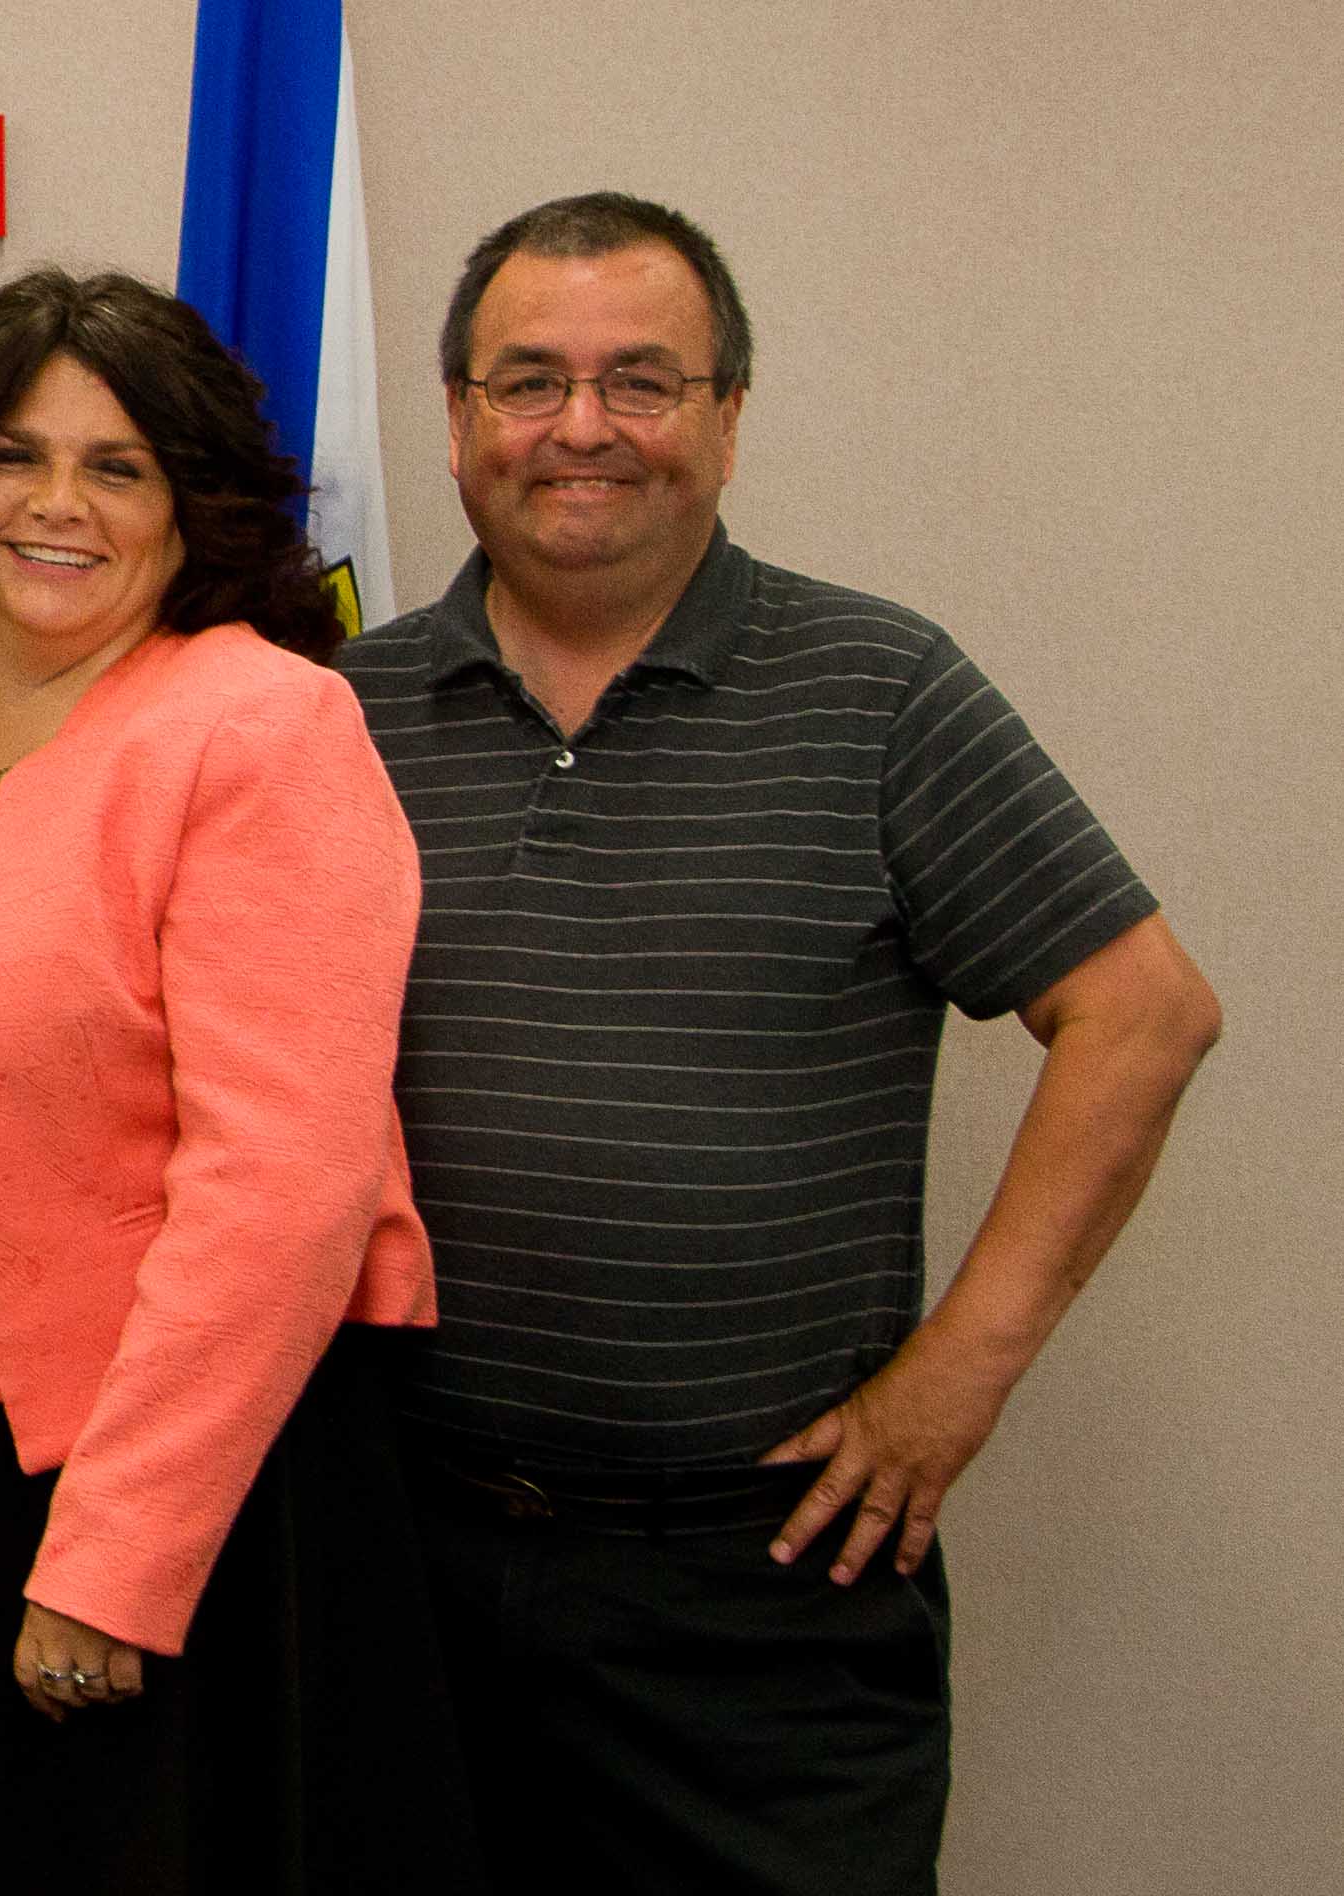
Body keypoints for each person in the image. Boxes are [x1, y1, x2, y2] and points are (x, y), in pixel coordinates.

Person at [344, 192, 1221, 1896]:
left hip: (758, 1609)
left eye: (642, 380)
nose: (581, 426)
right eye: (528, 381)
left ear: (728, 421)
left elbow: (1144, 1012)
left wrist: (959, 1374)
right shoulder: (334, 714)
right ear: (454, 423)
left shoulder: (877, 688)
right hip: (404, 1567)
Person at [0, 267, 480, 1892]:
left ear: (189, 507)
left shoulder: (264, 729)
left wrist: (115, 1564)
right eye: (16, 457)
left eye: (117, 467)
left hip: (133, 1517)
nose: (58, 505)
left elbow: (287, 1190)